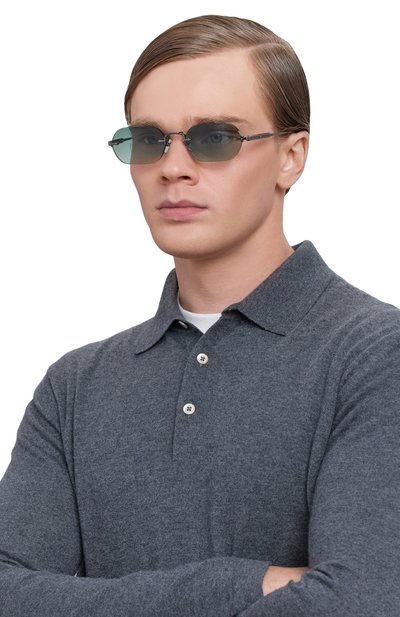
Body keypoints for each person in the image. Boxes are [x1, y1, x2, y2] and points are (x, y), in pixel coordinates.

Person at [0, 13, 399, 617]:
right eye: (149, 140)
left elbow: (362, 602)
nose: (173, 167)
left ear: (291, 157)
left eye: (215, 138)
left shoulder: (376, 355)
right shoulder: (74, 386)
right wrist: (237, 586)